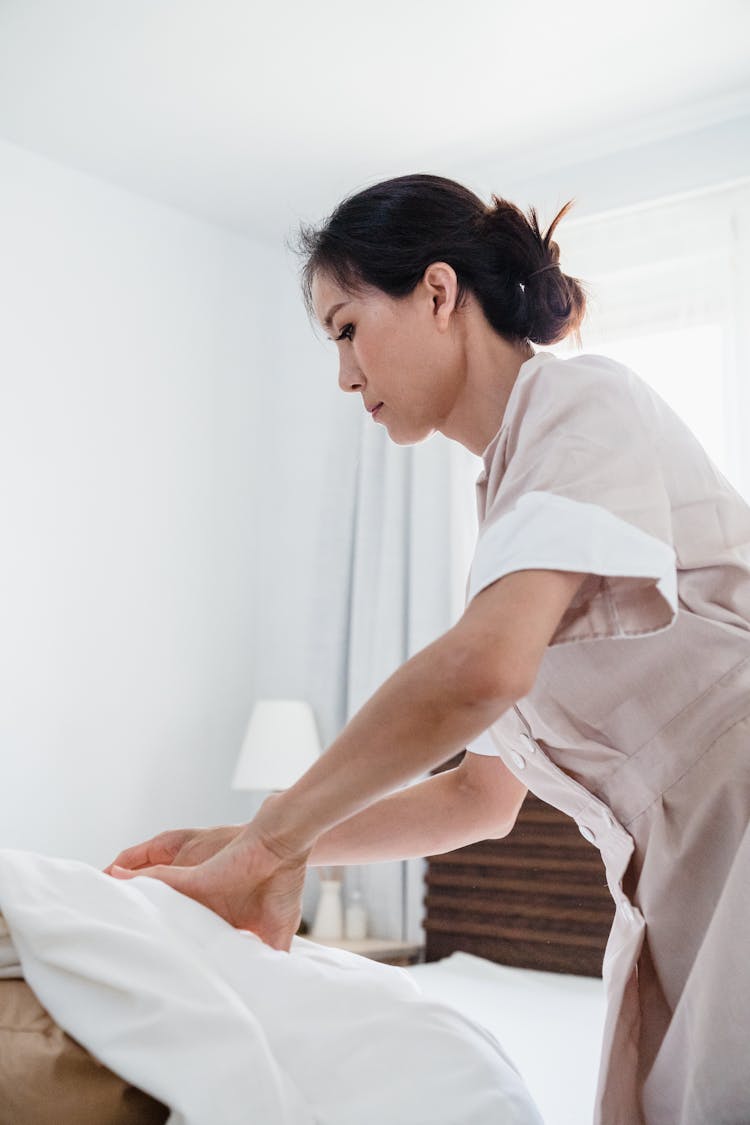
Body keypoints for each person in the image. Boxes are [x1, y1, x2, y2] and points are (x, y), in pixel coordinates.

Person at [107, 174, 750, 1125]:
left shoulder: (580, 401)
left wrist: (273, 837)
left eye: (346, 328)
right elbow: (476, 801)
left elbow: (483, 668)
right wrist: (247, 844)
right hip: (681, 891)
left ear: (439, 294)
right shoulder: (513, 513)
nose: (343, 375)